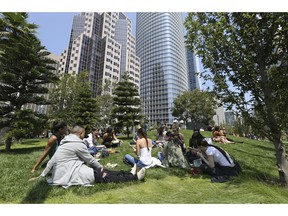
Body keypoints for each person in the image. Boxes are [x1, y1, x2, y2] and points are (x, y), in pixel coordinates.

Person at [30, 126, 146, 187]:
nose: (84, 135)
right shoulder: (76, 143)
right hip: (71, 174)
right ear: (80, 133)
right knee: (103, 175)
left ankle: (129, 173)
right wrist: (101, 168)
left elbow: (51, 161)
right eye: (83, 133)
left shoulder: (65, 141)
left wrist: (41, 175)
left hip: (70, 170)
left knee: (103, 171)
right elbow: (90, 160)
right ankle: (134, 178)